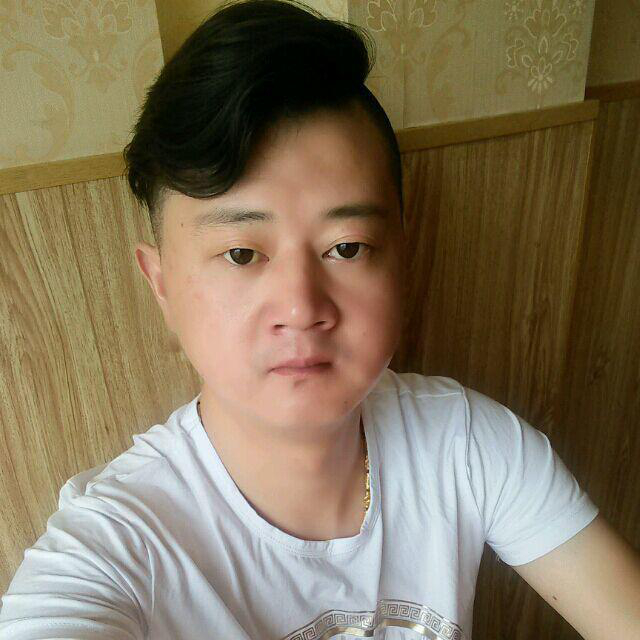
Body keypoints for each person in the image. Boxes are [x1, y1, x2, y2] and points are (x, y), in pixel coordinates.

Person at [1, 0, 639, 638]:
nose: (302, 308)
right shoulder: (115, 545)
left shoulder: (467, 445)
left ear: (401, 259)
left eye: (348, 247)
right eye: (241, 253)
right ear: (161, 284)